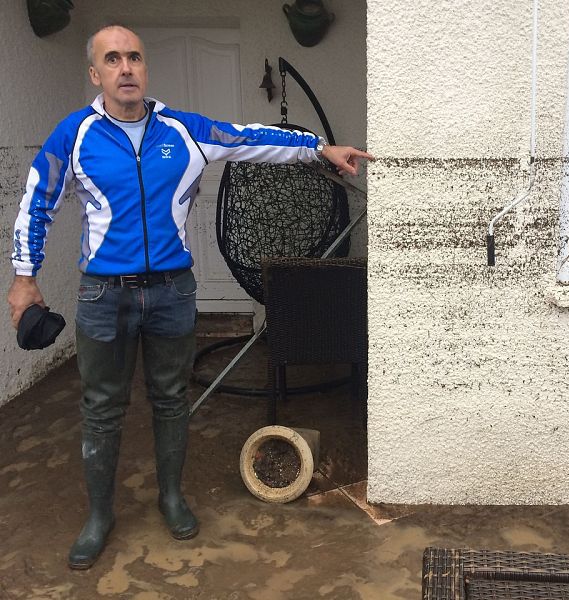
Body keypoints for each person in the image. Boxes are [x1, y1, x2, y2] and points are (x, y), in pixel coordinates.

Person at [6, 24, 373, 570]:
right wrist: (23, 275)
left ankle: (172, 498)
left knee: (171, 399)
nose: (126, 67)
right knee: (102, 407)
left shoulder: (183, 129)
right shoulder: (75, 134)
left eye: (134, 57)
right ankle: (99, 516)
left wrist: (319, 149)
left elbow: (251, 137)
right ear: (96, 74)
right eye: (113, 59)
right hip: (103, 294)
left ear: (144, 67)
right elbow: (38, 200)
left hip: (172, 292)